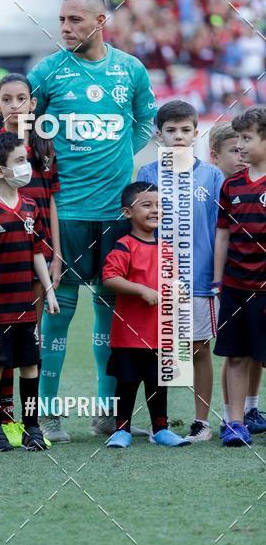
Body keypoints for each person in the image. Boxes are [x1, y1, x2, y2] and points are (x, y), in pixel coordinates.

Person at [28, 0, 156, 439]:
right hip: (64, 214)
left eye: (74, 19)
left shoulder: (131, 70)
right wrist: (46, 162)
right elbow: (25, 126)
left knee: (110, 313)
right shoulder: (47, 72)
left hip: (116, 215)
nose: (64, 27)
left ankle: (108, 415)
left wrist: (123, 151)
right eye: (61, 19)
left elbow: (146, 120)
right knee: (57, 311)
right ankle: (47, 415)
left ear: (100, 21)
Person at [0, 73, 63, 446]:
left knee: (30, 341)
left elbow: (52, 203)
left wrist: (55, 253)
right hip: (0, 262)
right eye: (7, 99)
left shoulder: (44, 146)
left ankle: (31, 424)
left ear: (32, 103)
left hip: (35, 252)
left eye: (22, 99)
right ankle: (3, 421)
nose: (15, 105)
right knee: (2, 346)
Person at [137, 101, 223, 442]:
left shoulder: (211, 176)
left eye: (185, 130)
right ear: (159, 135)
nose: (178, 136)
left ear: (195, 133)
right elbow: (141, 227)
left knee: (198, 348)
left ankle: (202, 421)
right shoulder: (147, 174)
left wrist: (217, 278)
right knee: (159, 350)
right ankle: (160, 420)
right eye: (171, 131)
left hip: (199, 279)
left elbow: (219, 230)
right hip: (157, 280)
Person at [102, 183, 190, 448]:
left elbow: (172, 282)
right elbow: (109, 278)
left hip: (159, 335)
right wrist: (140, 290)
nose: (155, 210)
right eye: (147, 205)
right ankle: (121, 430)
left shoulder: (166, 248)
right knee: (127, 383)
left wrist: (179, 292)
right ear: (128, 213)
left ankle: (161, 430)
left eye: (158, 205)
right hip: (129, 336)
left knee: (158, 382)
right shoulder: (124, 245)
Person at [209, 120, 266, 435]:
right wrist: (219, 281)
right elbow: (222, 236)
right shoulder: (231, 186)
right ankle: (235, 423)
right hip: (234, 287)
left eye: (247, 138)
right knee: (236, 355)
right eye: (238, 139)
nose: (241, 145)